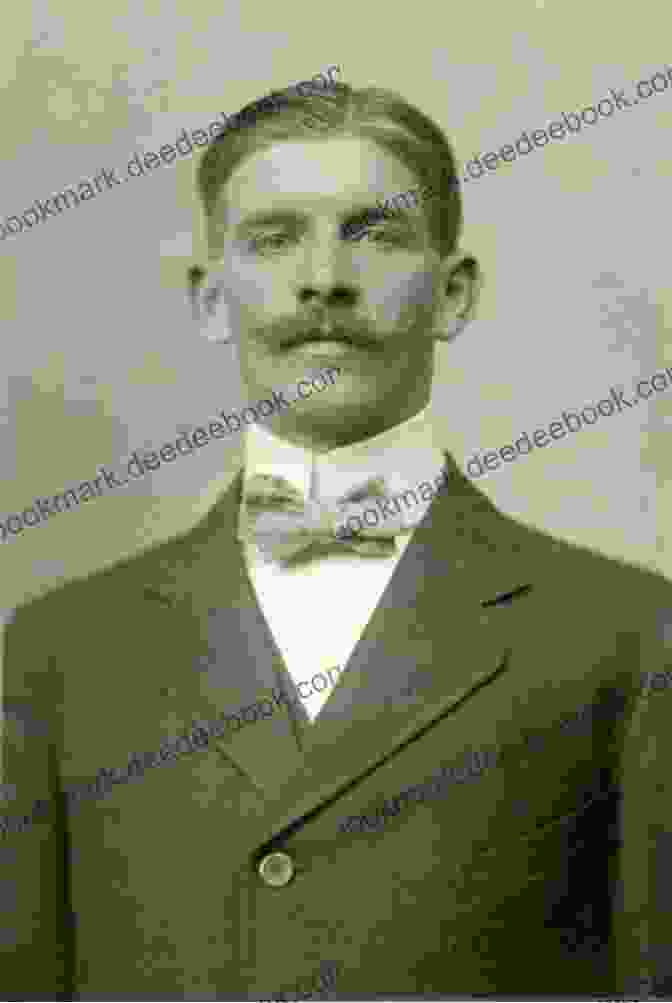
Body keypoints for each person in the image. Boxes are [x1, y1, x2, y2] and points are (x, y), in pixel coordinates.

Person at [2, 75, 672, 1001]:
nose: (324, 278)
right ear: (209, 298)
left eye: (377, 233)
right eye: (275, 240)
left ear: (453, 293)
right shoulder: (56, 655)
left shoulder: (628, 639)